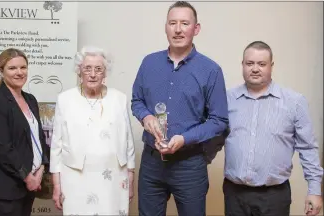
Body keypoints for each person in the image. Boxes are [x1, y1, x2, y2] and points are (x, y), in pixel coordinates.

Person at [131, 1, 229, 216]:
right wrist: (146, 117)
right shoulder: (149, 63)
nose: (178, 29)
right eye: (172, 23)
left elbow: (219, 120)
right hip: (151, 163)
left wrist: (184, 139)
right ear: (165, 27)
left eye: (185, 23)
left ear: (196, 29)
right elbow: (136, 101)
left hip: (189, 164)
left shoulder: (211, 70)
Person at [224, 41, 323, 216]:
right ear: (242, 65)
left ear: (271, 66)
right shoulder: (227, 99)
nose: (255, 69)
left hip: (274, 196)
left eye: (261, 64)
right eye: (250, 63)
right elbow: (213, 139)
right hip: (234, 194)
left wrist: (314, 190)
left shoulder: (294, 102)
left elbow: (308, 148)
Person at [50, 46, 135, 215]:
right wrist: (57, 185)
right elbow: (56, 145)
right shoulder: (65, 99)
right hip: (75, 177)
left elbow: (128, 141)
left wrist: (130, 179)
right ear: (79, 70)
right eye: (87, 68)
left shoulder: (119, 98)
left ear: (105, 73)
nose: (93, 74)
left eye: (98, 69)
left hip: (113, 177)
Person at [0, 48, 49, 216]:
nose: (19, 72)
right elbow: (2, 147)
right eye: (12, 68)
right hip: (1, 190)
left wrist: (41, 169)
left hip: (25, 188)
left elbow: (38, 139)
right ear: (1, 71)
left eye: (23, 67)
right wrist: (27, 177)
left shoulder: (30, 99)